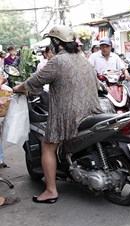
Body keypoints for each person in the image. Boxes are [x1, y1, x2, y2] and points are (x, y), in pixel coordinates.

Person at [12, 25, 102, 204]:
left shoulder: (57, 61)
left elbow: (34, 81)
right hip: (93, 111)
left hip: (68, 115)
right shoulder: (82, 58)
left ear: (55, 43)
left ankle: (51, 190)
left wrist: (17, 88)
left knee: (48, 145)